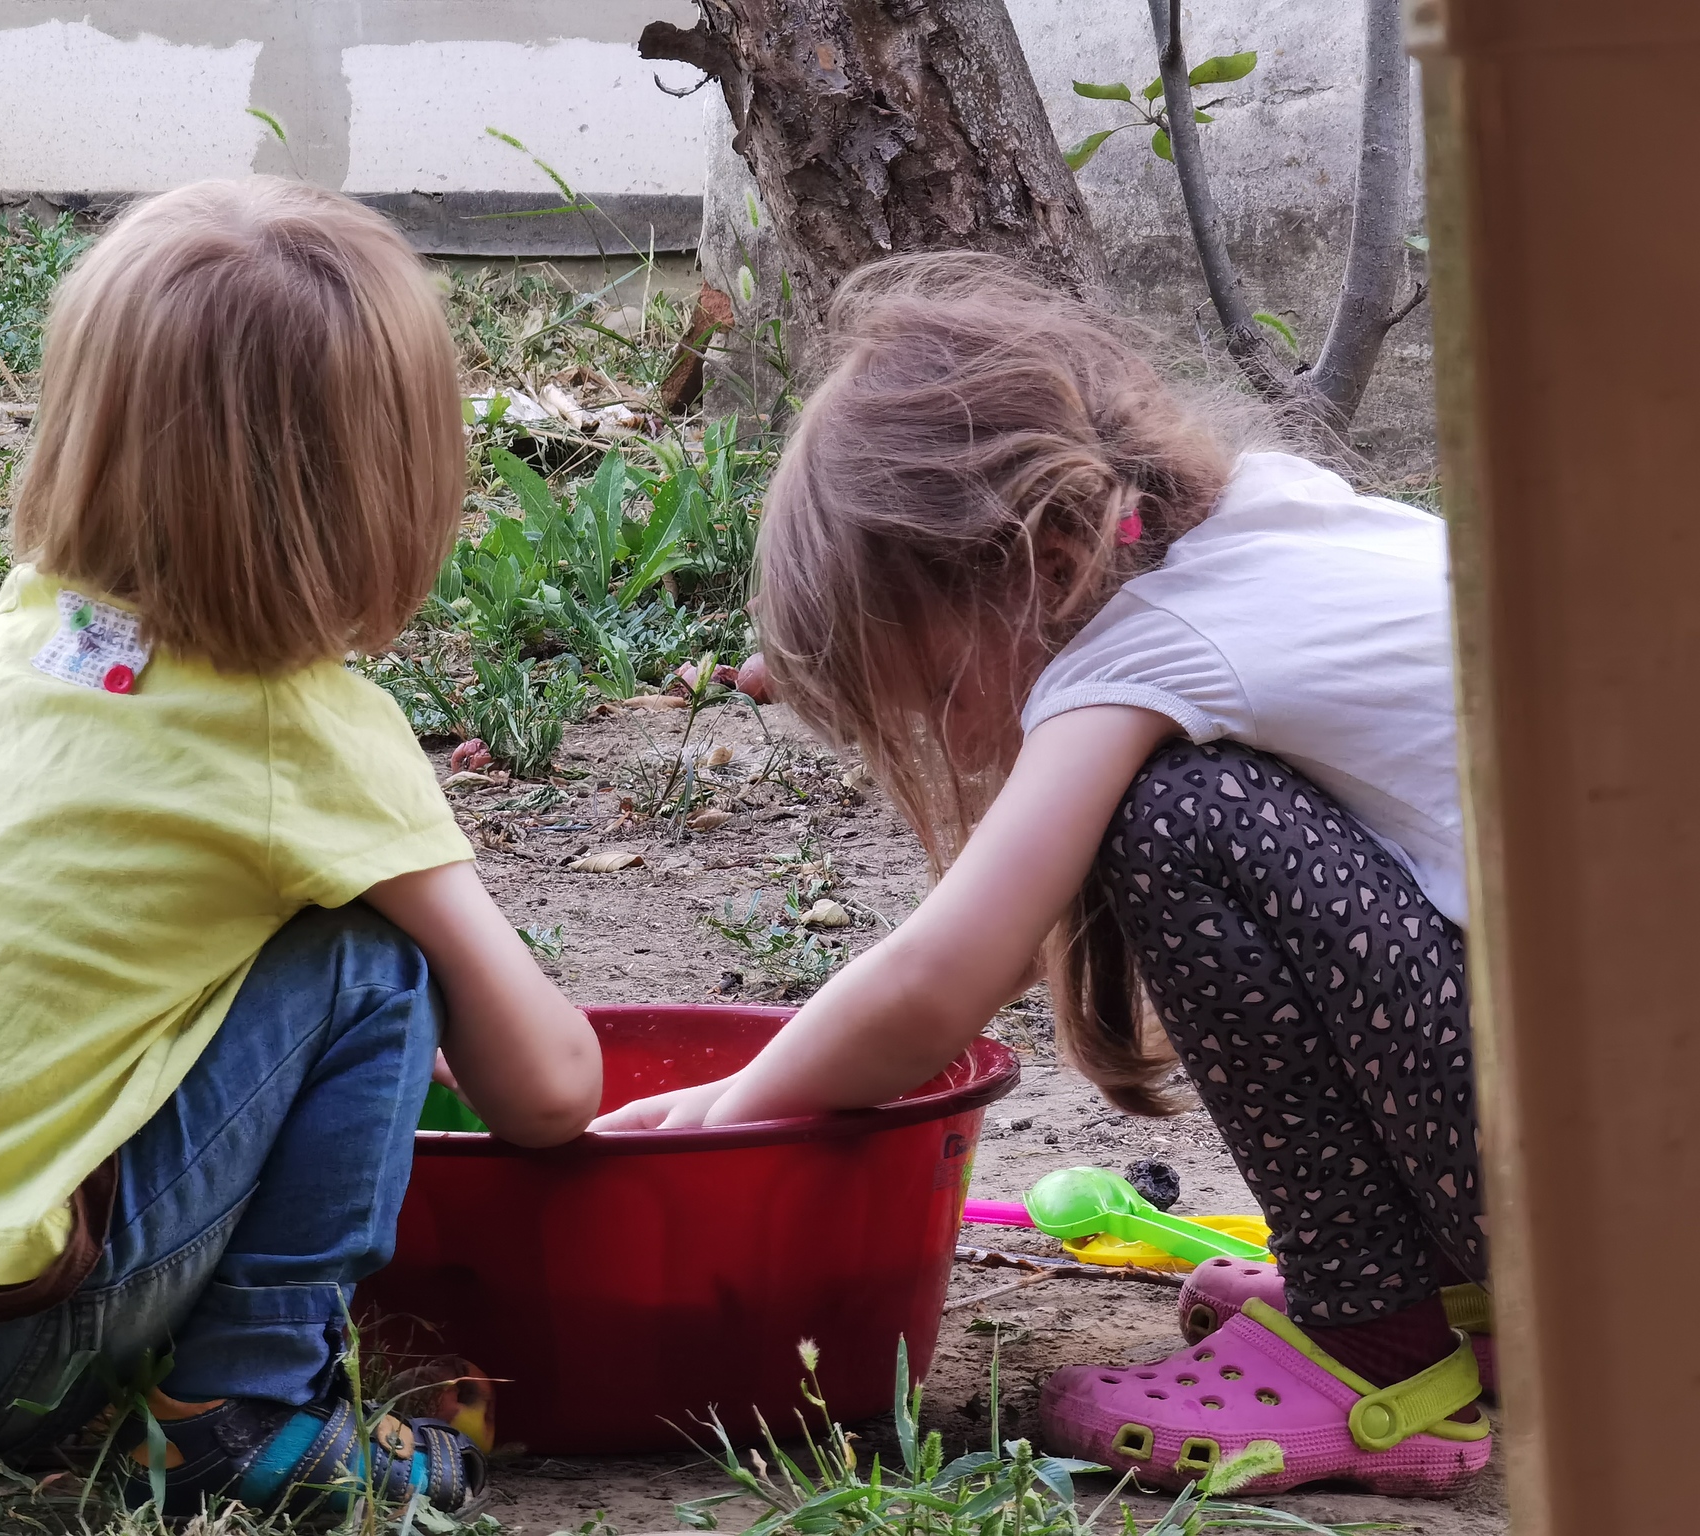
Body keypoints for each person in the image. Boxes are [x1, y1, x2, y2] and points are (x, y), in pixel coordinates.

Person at [593, 253, 1491, 1498]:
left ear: (1046, 557)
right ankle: (1464, 1294)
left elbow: (942, 978)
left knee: (1182, 823)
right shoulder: (1280, 522)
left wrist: (733, 1105)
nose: (937, 726)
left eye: (925, 681)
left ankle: (1371, 1341)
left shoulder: (1149, 648)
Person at [0, 178, 602, 1516]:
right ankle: (243, 1411)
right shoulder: (306, 735)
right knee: (371, 960)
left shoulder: (32, 632)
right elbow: (548, 1091)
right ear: (389, 487)